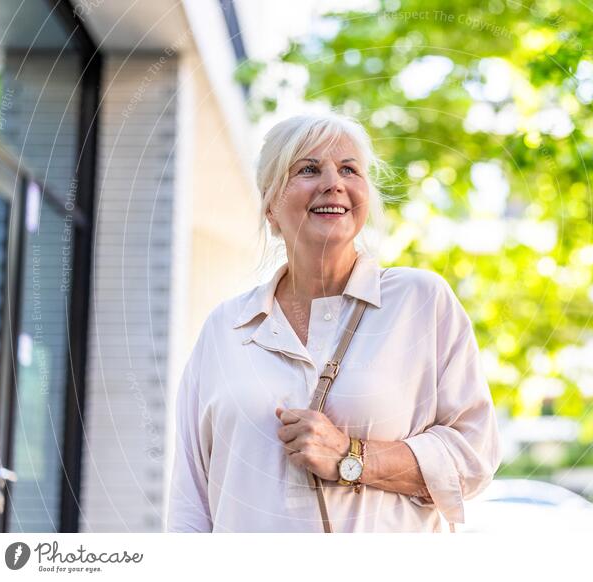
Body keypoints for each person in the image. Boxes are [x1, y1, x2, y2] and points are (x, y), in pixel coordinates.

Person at [166, 112, 501, 532]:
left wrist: (350, 456)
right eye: (308, 169)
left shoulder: (421, 301)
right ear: (270, 206)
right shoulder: (226, 328)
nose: (333, 183)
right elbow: (190, 502)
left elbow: (474, 456)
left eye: (348, 169)